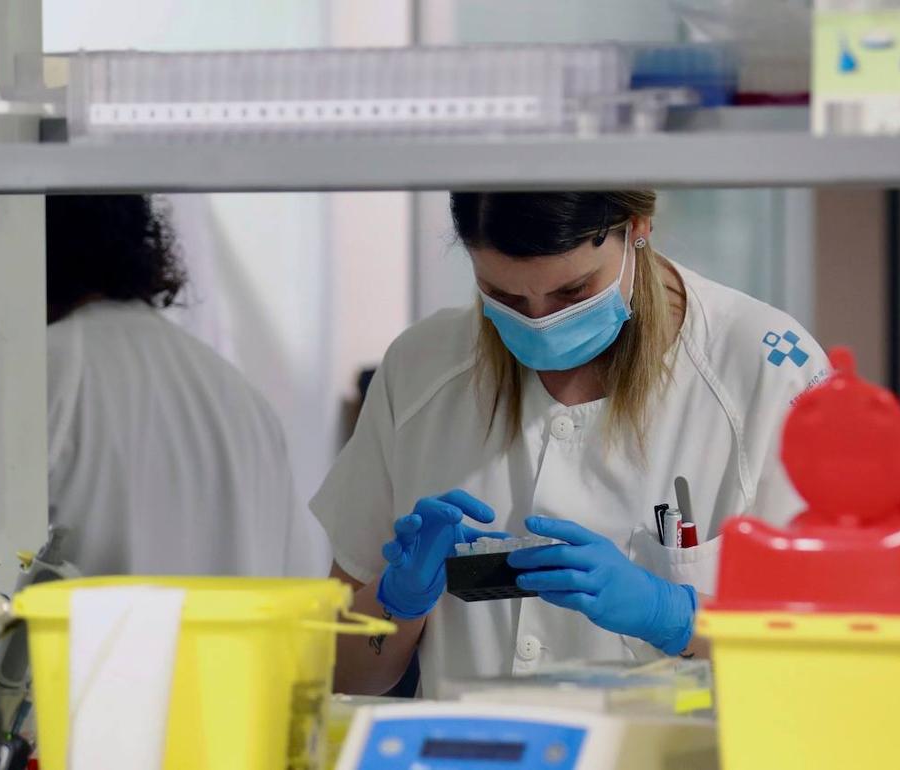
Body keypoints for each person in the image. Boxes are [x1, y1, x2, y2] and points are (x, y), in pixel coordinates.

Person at [312, 191, 830, 696]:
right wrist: (395, 604)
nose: (539, 321)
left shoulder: (767, 368)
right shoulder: (420, 368)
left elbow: (824, 660)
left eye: (573, 292)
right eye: (506, 297)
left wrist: (671, 615)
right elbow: (341, 676)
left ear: (638, 229)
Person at [45, 194, 327, 578]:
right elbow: (300, 586)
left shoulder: (48, 368)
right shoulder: (241, 396)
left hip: (87, 639)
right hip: (247, 639)